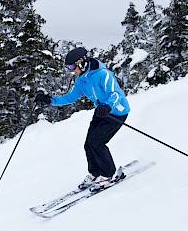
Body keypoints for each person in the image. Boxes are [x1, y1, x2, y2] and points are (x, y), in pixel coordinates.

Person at [35, 47, 130, 192]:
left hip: (116, 112)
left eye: (72, 66)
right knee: (88, 144)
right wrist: (48, 100)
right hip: (101, 112)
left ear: (83, 62)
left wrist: (108, 106)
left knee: (97, 142)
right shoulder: (81, 80)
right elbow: (69, 98)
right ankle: (95, 172)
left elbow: (116, 94)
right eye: (68, 67)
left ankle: (108, 174)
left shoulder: (103, 74)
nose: (71, 70)